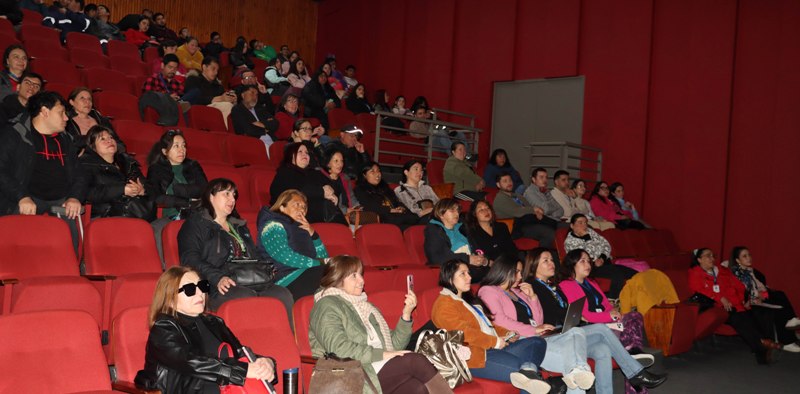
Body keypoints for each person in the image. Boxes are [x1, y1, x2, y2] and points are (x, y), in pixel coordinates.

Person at [524, 248, 667, 393]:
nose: (551, 263)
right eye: (545, 260)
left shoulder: (552, 287)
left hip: (569, 331)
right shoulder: (533, 287)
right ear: (534, 264)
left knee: (602, 349)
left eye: (552, 260)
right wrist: (577, 316)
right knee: (601, 328)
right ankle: (635, 372)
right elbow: (544, 315)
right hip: (555, 335)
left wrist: (574, 316)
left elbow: (565, 310)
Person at [309, 255, 452, 394]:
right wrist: (383, 354)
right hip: (349, 372)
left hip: (375, 366)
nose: (362, 280)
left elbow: (395, 346)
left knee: (416, 388)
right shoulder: (326, 305)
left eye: (361, 274)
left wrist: (406, 314)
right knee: (415, 361)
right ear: (337, 278)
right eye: (354, 276)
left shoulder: (367, 308)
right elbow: (338, 348)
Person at [134, 266, 278, 393]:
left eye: (202, 286)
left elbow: (240, 353)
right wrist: (243, 371)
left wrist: (266, 363)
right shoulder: (164, 327)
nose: (200, 293)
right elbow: (190, 362)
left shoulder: (214, 322)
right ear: (170, 298)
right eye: (190, 289)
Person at [478, 254, 595, 393]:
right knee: (571, 363)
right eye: (517, 272)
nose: (521, 276)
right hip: (520, 341)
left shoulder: (518, 291)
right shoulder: (488, 291)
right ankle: (579, 368)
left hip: (537, 337)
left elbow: (538, 321)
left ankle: (579, 368)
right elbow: (500, 320)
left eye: (521, 272)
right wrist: (533, 330)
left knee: (576, 331)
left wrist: (533, 297)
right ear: (505, 270)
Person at [431, 260, 551, 394]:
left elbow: (489, 325)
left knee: (537, 342)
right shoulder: (444, 304)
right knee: (524, 372)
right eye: (463, 274)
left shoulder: (468, 299)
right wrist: (494, 341)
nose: (469, 277)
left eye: (468, 273)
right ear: (449, 278)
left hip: (494, 348)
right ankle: (530, 371)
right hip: (473, 357)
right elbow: (463, 333)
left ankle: (529, 369)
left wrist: (508, 333)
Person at [177, 178, 294, 316]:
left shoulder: (239, 226)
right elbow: (189, 258)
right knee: (245, 296)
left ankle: (288, 337)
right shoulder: (195, 224)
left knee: (282, 294)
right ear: (211, 196)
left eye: (234, 195)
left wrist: (266, 269)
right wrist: (217, 278)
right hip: (215, 285)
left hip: (250, 280)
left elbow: (254, 255)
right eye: (226, 194)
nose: (232, 199)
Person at [0, 91, 86, 251]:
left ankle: (69, 270)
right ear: (45, 112)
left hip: (61, 200)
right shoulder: (15, 134)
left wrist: (74, 197)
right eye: (61, 113)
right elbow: (2, 171)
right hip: (26, 197)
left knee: (69, 242)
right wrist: (21, 197)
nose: (67, 118)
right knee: (19, 243)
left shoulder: (66, 140)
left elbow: (79, 174)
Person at [557, 249, 650, 368]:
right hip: (591, 326)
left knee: (635, 316)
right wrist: (609, 316)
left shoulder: (591, 282)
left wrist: (615, 314)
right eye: (582, 261)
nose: (588, 264)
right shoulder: (567, 285)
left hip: (606, 322)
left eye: (588, 261)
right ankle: (632, 354)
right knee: (629, 333)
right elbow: (585, 315)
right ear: (572, 265)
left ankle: (633, 353)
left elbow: (607, 305)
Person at [688, 248, 781, 364]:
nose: (712, 258)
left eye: (713, 255)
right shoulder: (695, 273)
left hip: (737, 304)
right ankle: (765, 345)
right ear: (699, 259)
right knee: (739, 317)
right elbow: (699, 290)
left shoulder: (722, 271)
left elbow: (739, 287)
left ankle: (764, 346)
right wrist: (720, 298)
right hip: (718, 307)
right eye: (708, 256)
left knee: (761, 313)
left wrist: (744, 300)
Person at [257, 189, 329, 300]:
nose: (302, 209)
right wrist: (319, 263)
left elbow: (324, 257)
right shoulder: (272, 225)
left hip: (306, 274)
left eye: (304, 207)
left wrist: (313, 234)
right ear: (282, 207)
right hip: (285, 280)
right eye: (297, 205)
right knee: (338, 272)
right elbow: (285, 256)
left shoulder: (303, 229)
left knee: (346, 269)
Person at [147, 129, 208, 260]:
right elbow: (156, 197)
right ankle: (165, 269)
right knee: (156, 229)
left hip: (196, 212)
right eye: (176, 146)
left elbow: (204, 189)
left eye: (183, 145)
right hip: (170, 214)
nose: (182, 150)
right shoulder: (156, 169)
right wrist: (186, 201)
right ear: (165, 151)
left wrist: (178, 191)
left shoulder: (193, 166)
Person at [729, 246, 800, 351]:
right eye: (744, 256)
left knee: (780, 301)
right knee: (779, 301)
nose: (749, 258)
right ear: (737, 260)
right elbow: (743, 292)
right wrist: (759, 294)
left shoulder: (751, 271)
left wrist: (764, 291)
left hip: (760, 298)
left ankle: (789, 333)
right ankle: (788, 337)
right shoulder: (736, 273)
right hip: (750, 303)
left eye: (749, 255)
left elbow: (759, 285)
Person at [79, 125, 153, 220]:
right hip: (105, 215)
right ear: (93, 147)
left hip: (135, 212)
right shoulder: (87, 164)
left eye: (111, 137)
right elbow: (88, 193)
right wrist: (121, 189)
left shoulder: (127, 162)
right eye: (102, 139)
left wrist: (142, 190)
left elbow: (146, 184)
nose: (109, 141)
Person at [563, 214, 637, 299]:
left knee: (631, 273)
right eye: (580, 223)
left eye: (585, 222)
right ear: (572, 225)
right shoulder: (569, 242)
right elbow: (584, 256)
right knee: (617, 273)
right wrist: (586, 238)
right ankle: (613, 301)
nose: (584, 225)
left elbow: (606, 244)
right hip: (589, 268)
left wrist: (602, 258)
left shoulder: (590, 232)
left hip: (604, 263)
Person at [269, 142, 344, 224]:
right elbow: (296, 192)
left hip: (319, 215)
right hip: (293, 217)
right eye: (300, 152)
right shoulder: (285, 172)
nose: (305, 154)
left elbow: (329, 186)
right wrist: (322, 192)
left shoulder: (313, 173)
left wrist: (332, 193)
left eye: (306, 152)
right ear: (291, 156)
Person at [424, 198, 489, 282]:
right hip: (453, 269)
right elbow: (437, 257)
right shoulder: (434, 230)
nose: (457, 213)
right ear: (441, 214)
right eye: (452, 211)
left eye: (457, 210)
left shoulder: (462, 228)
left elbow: (477, 248)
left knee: (501, 269)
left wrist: (483, 259)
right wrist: (467, 259)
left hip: (471, 266)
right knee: (497, 275)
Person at [493, 173, 558, 248]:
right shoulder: (500, 199)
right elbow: (517, 212)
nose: (509, 183)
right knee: (548, 232)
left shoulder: (517, 196)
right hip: (516, 226)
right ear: (498, 185)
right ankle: (540, 257)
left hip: (528, 221)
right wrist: (533, 209)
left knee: (557, 227)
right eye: (505, 181)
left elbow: (529, 207)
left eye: (510, 180)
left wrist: (535, 212)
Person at [354, 162, 421, 230]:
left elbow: (397, 201)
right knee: (411, 226)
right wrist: (390, 210)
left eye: (378, 171)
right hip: (383, 218)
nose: (377, 174)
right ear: (364, 175)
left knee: (415, 218)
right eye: (372, 172)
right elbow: (369, 206)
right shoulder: (360, 189)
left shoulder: (384, 187)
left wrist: (401, 208)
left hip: (397, 217)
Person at [183, 57, 235, 125]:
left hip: (216, 112)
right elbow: (192, 99)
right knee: (226, 106)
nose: (216, 72)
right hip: (199, 110)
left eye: (217, 70)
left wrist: (232, 99)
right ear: (204, 67)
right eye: (213, 69)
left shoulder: (218, 86)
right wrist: (217, 99)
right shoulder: (193, 80)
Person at [64, 87, 116, 155]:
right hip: (81, 159)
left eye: (89, 99)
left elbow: (118, 142)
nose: (87, 101)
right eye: (82, 98)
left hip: (106, 158)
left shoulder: (102, 120)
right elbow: (70, 141)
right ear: (72, 102)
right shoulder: (66, 121)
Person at [320, 146, 360, 215]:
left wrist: (357, 207)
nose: (340, 164)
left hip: (350, 214)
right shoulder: (321, 176)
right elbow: (327, 203)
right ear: (328, 163)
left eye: (341, 161)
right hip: (333, 215)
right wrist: (346, 210)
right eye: (336, 161)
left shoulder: (345, 178)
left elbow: (351, 197)